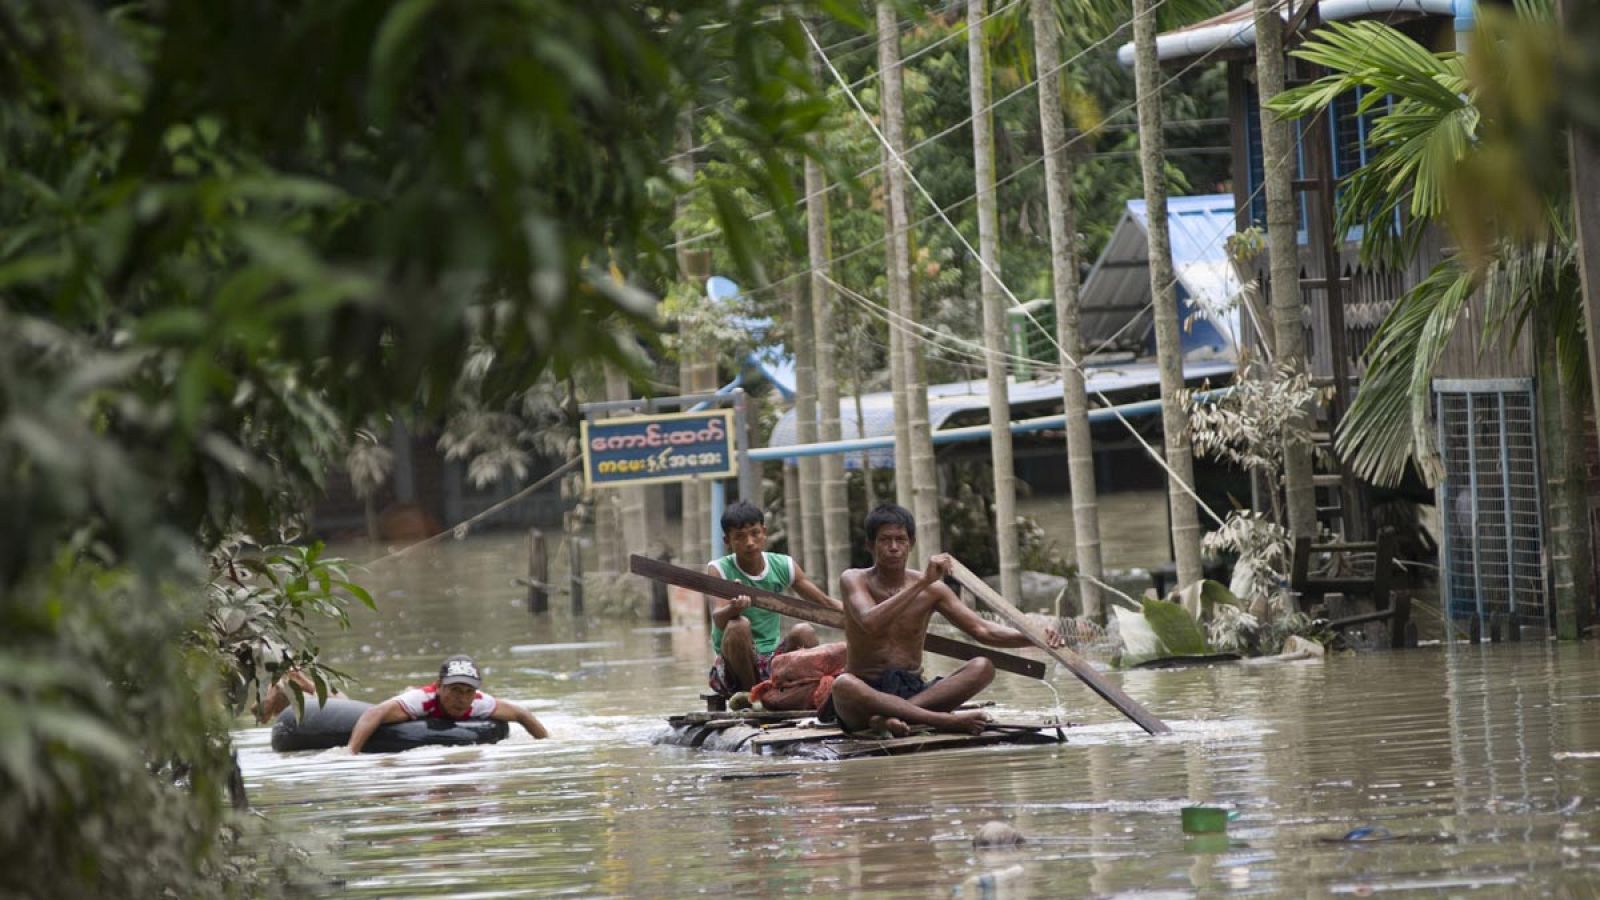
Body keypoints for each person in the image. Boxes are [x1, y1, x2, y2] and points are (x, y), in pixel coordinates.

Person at [825, 503, 1064, 736]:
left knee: (983, 667)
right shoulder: (854, 579)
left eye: (901, 540)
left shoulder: (933, 591)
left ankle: (892, 719)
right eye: (885, 540)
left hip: (914, 692)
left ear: (912, 544)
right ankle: (940, 720)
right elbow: (870, 622)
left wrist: (1033, 637)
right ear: (870, 545)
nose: (894, 547)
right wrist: (922, 583)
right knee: (843, 685)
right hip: (866, 692)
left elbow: (983, 631)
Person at [705, 500, 843, 699]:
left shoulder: (783, 565)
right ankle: (751, 697)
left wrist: (863, 616)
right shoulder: (718, 569)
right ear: (728, 541)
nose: (750, 542)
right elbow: (718, 618)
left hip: (771, 661)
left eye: (755, 533)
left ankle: (814, 695)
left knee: (804, 631)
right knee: (738, 626)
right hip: (732, 668)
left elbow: (824, 603)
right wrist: (733, 608)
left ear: (764, 532)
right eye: (740, 537)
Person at [345, 654, 548, 753]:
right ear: (440, 686)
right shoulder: (421, 700)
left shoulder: (479, 702)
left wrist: (546, 743)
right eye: (455, 690)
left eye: (468, 691)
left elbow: (522, 714)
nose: (462, 699)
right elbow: (373, 714)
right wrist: (350, 753)